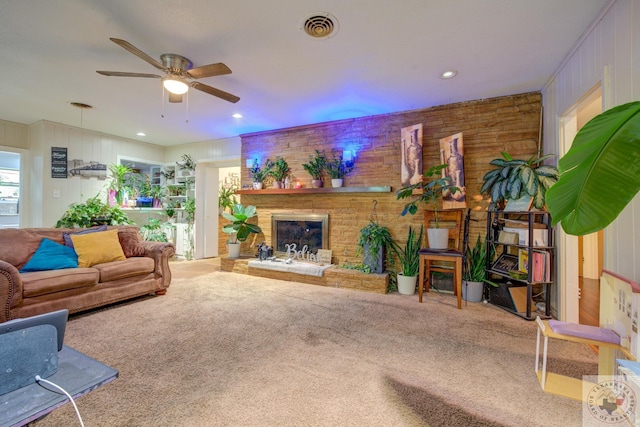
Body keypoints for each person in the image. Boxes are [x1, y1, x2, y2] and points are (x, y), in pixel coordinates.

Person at [444, 137, 466, 202]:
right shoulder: (450, 159)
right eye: (451, 146)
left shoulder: (458, 157)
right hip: (454, 181)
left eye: (452, 146)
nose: (451, 148)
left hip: (458, 181)